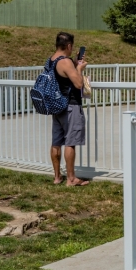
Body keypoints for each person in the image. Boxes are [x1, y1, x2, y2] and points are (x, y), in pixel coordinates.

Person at [48, 32, 90, 187]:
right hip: (70, 105)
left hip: (57, 105)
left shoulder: (52, 60)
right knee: (70, 142)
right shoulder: (65, 62)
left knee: (56, 142)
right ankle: (71, 179)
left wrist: (74, 62)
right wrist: (79, 68)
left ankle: (57, 177)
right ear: (69, 46)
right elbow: (78, 84)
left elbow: (62, 77)